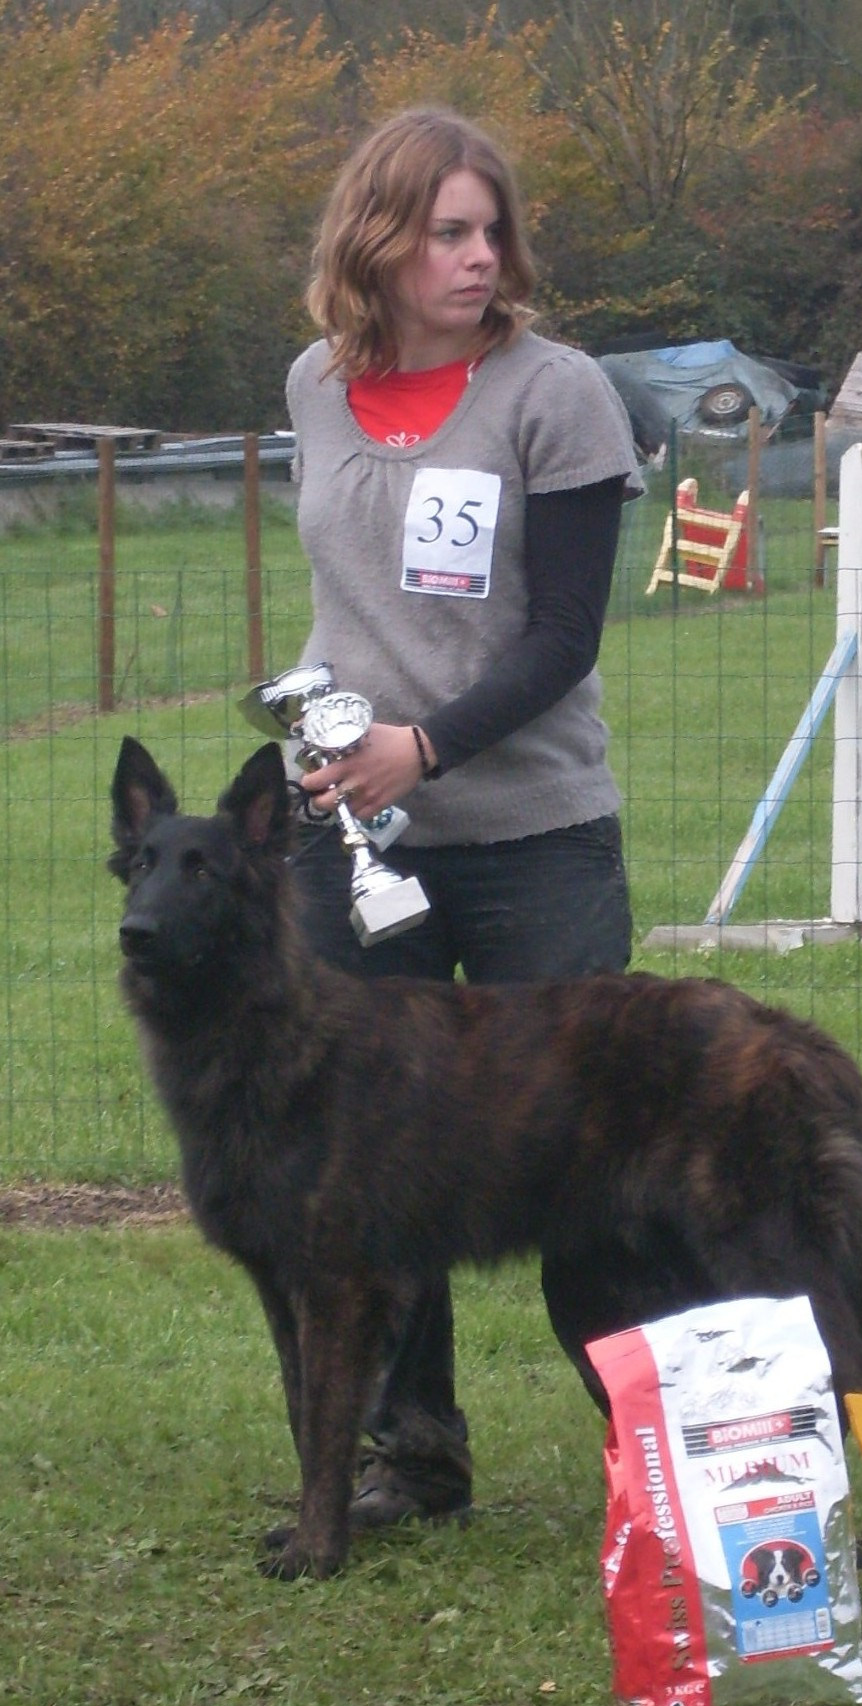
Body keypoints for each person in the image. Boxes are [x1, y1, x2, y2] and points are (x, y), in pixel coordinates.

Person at [284, 105, 642, 1530]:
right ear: (378, 238)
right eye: (449, 231)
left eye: (492, 229)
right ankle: (409, 1458)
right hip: (355, 847)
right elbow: (349, 594)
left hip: (535, 843)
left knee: (594, 1165)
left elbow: (562, 636)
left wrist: (418, 747)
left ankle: (670, 1459)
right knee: (369, 1173)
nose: (480, 255)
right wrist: (335, 749)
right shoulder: (313, 384)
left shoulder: (559, 394)